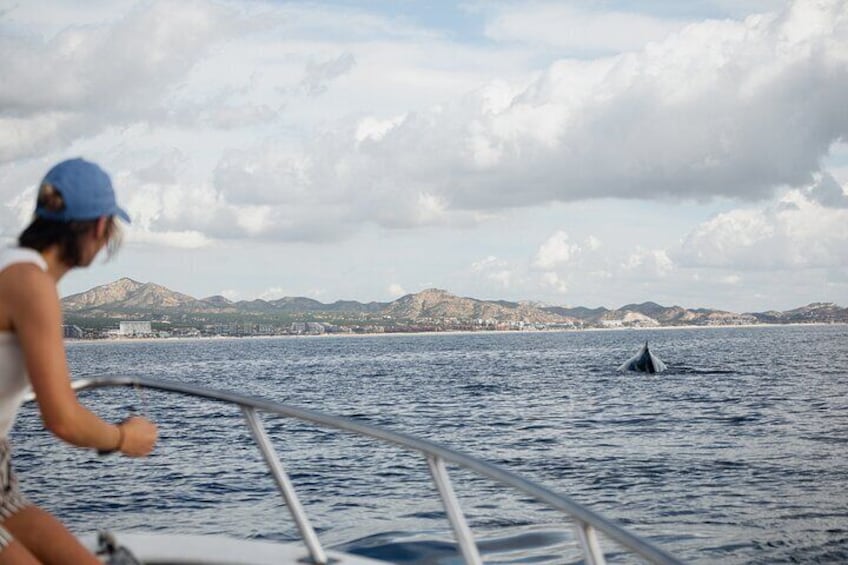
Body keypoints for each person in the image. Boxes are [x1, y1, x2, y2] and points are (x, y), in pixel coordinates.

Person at [0, 158, 158, 564]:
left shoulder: (13, 267)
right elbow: (62, 419)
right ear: (99, 227)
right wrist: (125, 438)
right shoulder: (31, 285)